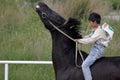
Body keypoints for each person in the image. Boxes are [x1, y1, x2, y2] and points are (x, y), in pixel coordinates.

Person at [75, 12, 114, 80]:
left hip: (97, 51)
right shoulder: (96, 29)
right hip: (95, 49)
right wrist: (81, 37)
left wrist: (79, 41)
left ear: (95, 22)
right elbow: (90, 36)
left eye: (90, 22)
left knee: (84, 66)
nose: (90, 23)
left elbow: (91, 40)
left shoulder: (99, 31)